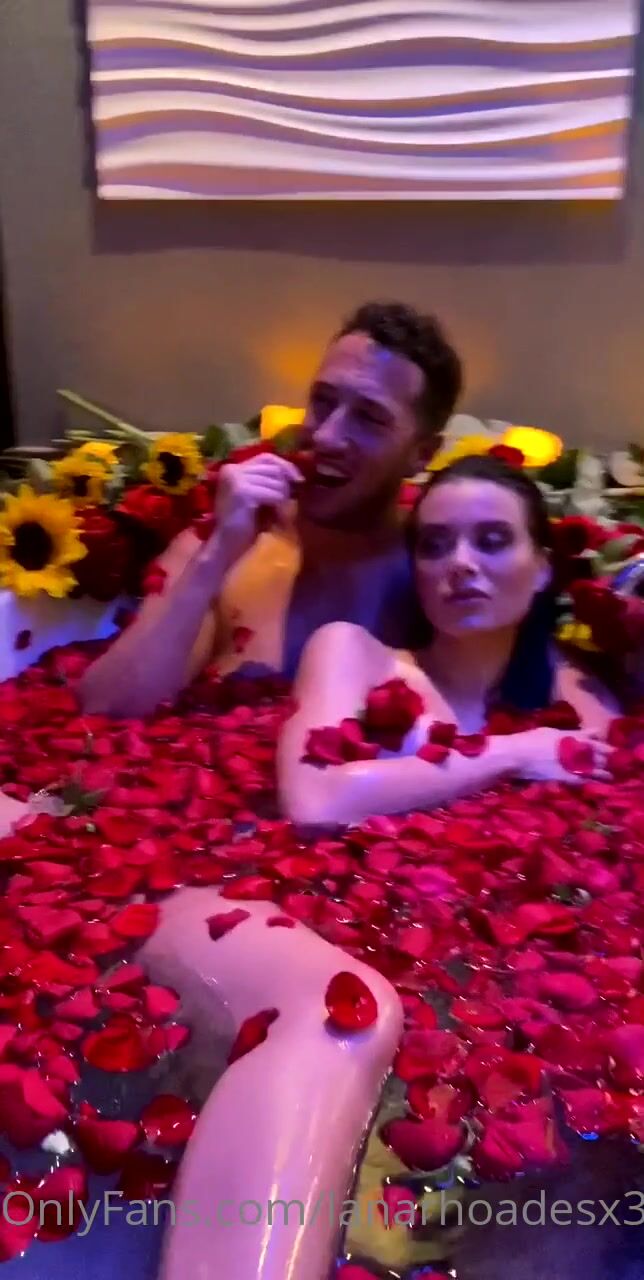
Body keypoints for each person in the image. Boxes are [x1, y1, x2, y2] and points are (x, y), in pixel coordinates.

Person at [79, 302, 463, 718]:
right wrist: (216, 555)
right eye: (323, 401)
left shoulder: (440, 570)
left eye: (369, 418)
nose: (327, 436)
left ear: (422, 454)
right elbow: (105, 709)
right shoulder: (224, 548)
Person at [277, 454, 618, 829]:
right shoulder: (352, 653)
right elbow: (314, 802)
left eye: (491, 541)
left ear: (542, 569)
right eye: (435, 546)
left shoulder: (574, 683)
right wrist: (515, 753)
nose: (460, 563)